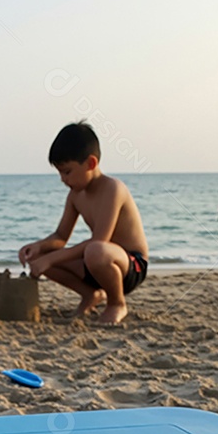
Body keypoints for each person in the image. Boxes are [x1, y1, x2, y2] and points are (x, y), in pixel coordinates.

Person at [19, 122, 149, 325]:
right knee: (41, 256)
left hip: (129, 266)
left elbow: (99, 241)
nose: (63, 179)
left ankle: (116, 303)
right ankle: (90, 295)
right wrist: (38, 248)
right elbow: (61, 237)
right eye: (60, 173)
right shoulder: (75, 196)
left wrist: (51, 260)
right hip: (95, 263)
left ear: (90, 163)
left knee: (95, 250)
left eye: (67, 171)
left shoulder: (112, 189)